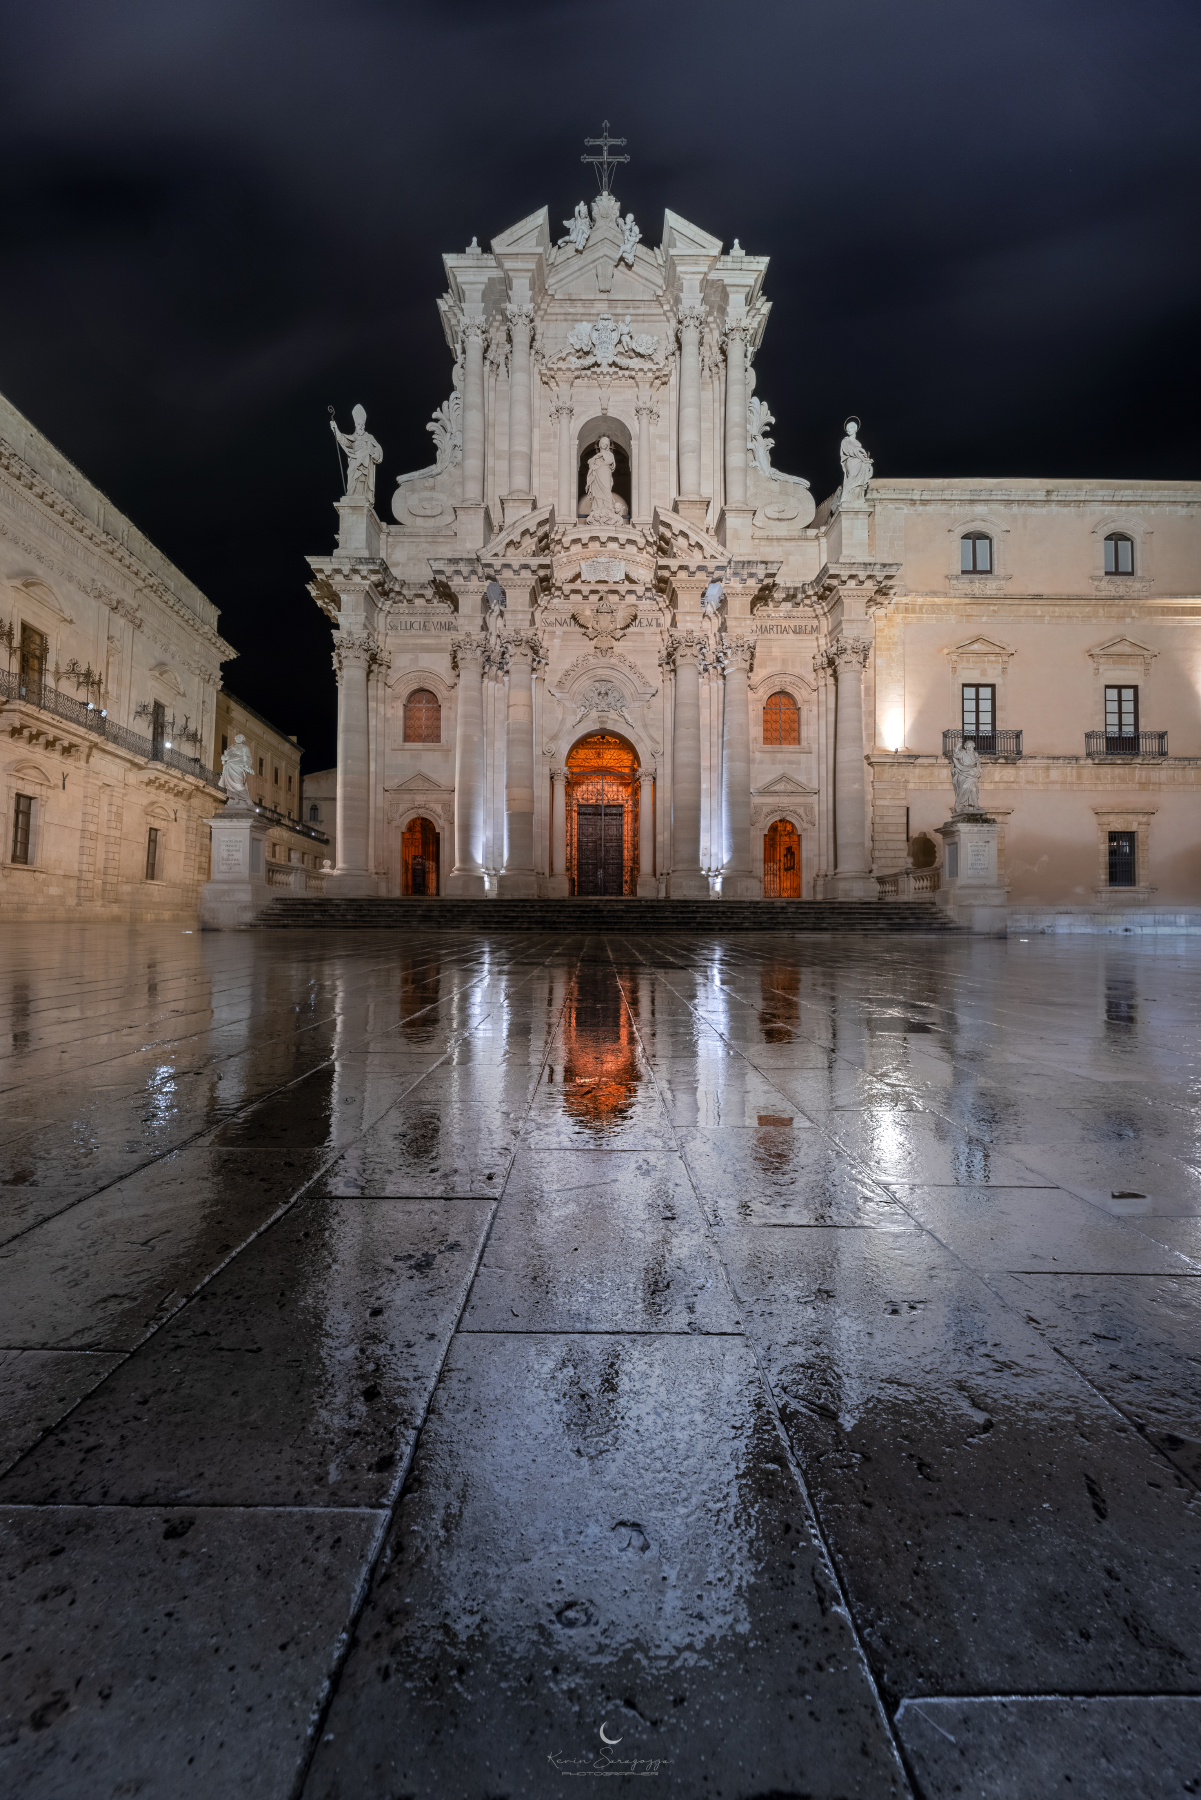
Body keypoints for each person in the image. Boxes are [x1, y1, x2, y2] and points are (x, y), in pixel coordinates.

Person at [331, 404, 383, 505]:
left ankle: (361, 495)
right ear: (356, 425)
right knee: (351, 481)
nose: (361, 426)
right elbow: (342, 439)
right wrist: (335, 429)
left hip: (365, 465)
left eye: (362, 425)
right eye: (359, 424)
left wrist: (376, 454)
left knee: (362, 479)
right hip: (354, 463)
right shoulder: (352, 438)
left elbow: (378, 449)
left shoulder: (369, 437)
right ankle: (352, 495)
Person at [583, 437, 623, 525]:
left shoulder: (609, 454)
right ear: (599, 444)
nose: (603, 444)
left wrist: (601, 455)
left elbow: (610, 461)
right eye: (602, 443)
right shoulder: (596, 456)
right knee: (597, 493)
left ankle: (608, 508)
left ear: (608, 445)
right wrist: (595, 459)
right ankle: (598, 508)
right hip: (596, 474)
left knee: (606, 489)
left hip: (605, 473)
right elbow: (590, 463)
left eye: (605, 443)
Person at [839, 417, 874, 504]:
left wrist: (865, 459)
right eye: (847, 429)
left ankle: (857, 497)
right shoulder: (845, 441)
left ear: (855, 429)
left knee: (860, 481)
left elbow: (859, 452)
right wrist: (860, 452)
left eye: (850, 428)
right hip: (851, 462)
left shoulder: (857, 442)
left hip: (860, 462)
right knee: (851, 478)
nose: (848, 431)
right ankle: (846, 497)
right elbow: (848, 451)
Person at [218, 733, 254, 809]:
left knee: (238, 783)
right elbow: (227, 755)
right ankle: (235, 799)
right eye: (237, 737)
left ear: (243, 739)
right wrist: (224, 758)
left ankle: (247, 799)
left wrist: (246, 766)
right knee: (230, 785)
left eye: (240, 737)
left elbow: (248, 758)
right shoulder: (231, 747)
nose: (237, 738)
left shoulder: (245, 748)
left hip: (238, 767)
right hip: (229, 766)